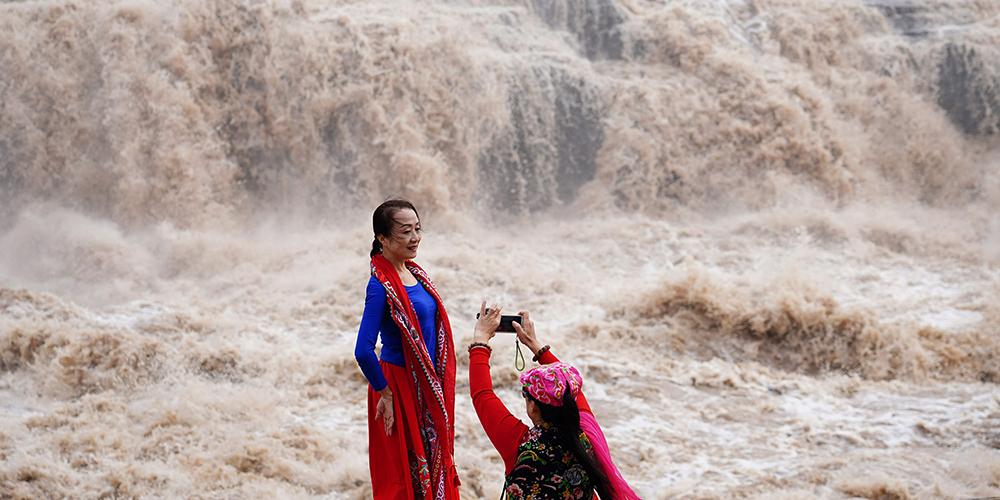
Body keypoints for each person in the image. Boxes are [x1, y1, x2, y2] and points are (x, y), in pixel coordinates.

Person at [469, 303, 643, 500]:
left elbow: (482, 394)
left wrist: (481, 339)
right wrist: (535, 344)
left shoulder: (520, 446)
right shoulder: (587, 434)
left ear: (533, 405)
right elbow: (569, 384)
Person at [355, 199, 460, 500]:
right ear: (383, 239)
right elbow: (363, 350)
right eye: (405, 232)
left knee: (431, 460)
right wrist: (385, 394)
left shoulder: (416, 273)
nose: (415, 237)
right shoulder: (379, 285)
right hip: (399, 387)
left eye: (417, 229)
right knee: (406, 474)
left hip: (426, 384)